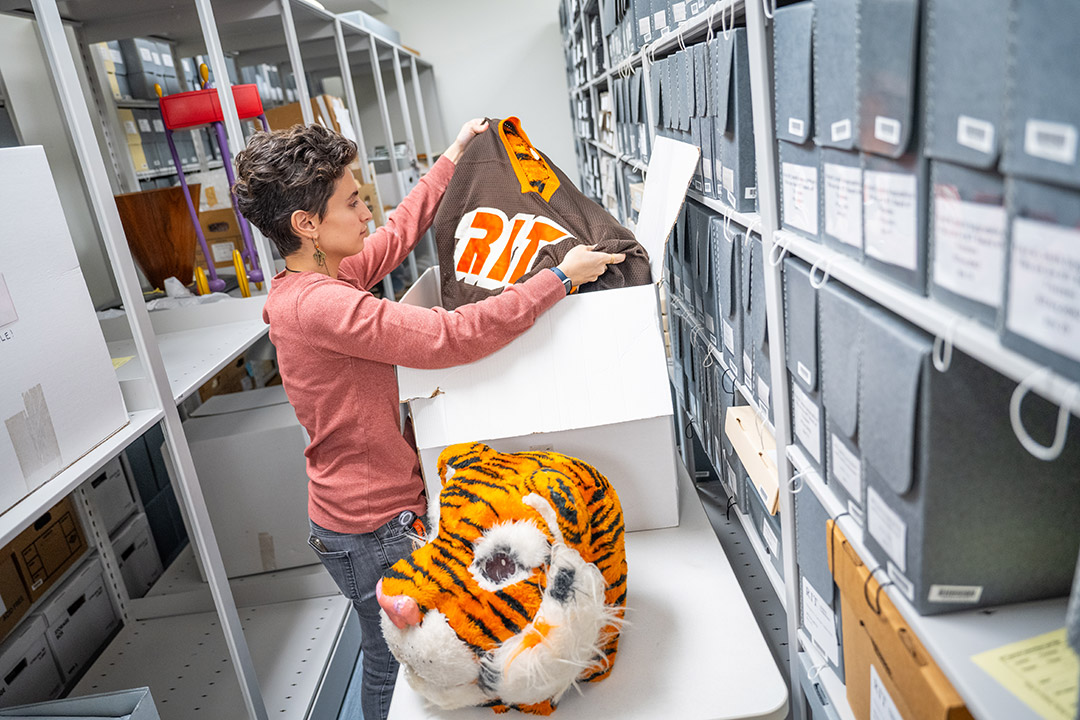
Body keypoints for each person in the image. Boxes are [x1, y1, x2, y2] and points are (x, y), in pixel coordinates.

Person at [232, 119, 624, 720]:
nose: (367, 211)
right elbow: (450, 337)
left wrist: (453, 157)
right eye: (352, 201)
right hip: (371, 527)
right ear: (306, 225)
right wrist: (560, 279)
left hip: (362, 514)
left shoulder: (316, 280)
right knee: (398, 662)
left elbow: (392, 238)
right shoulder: (322, 305)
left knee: (407, 654)